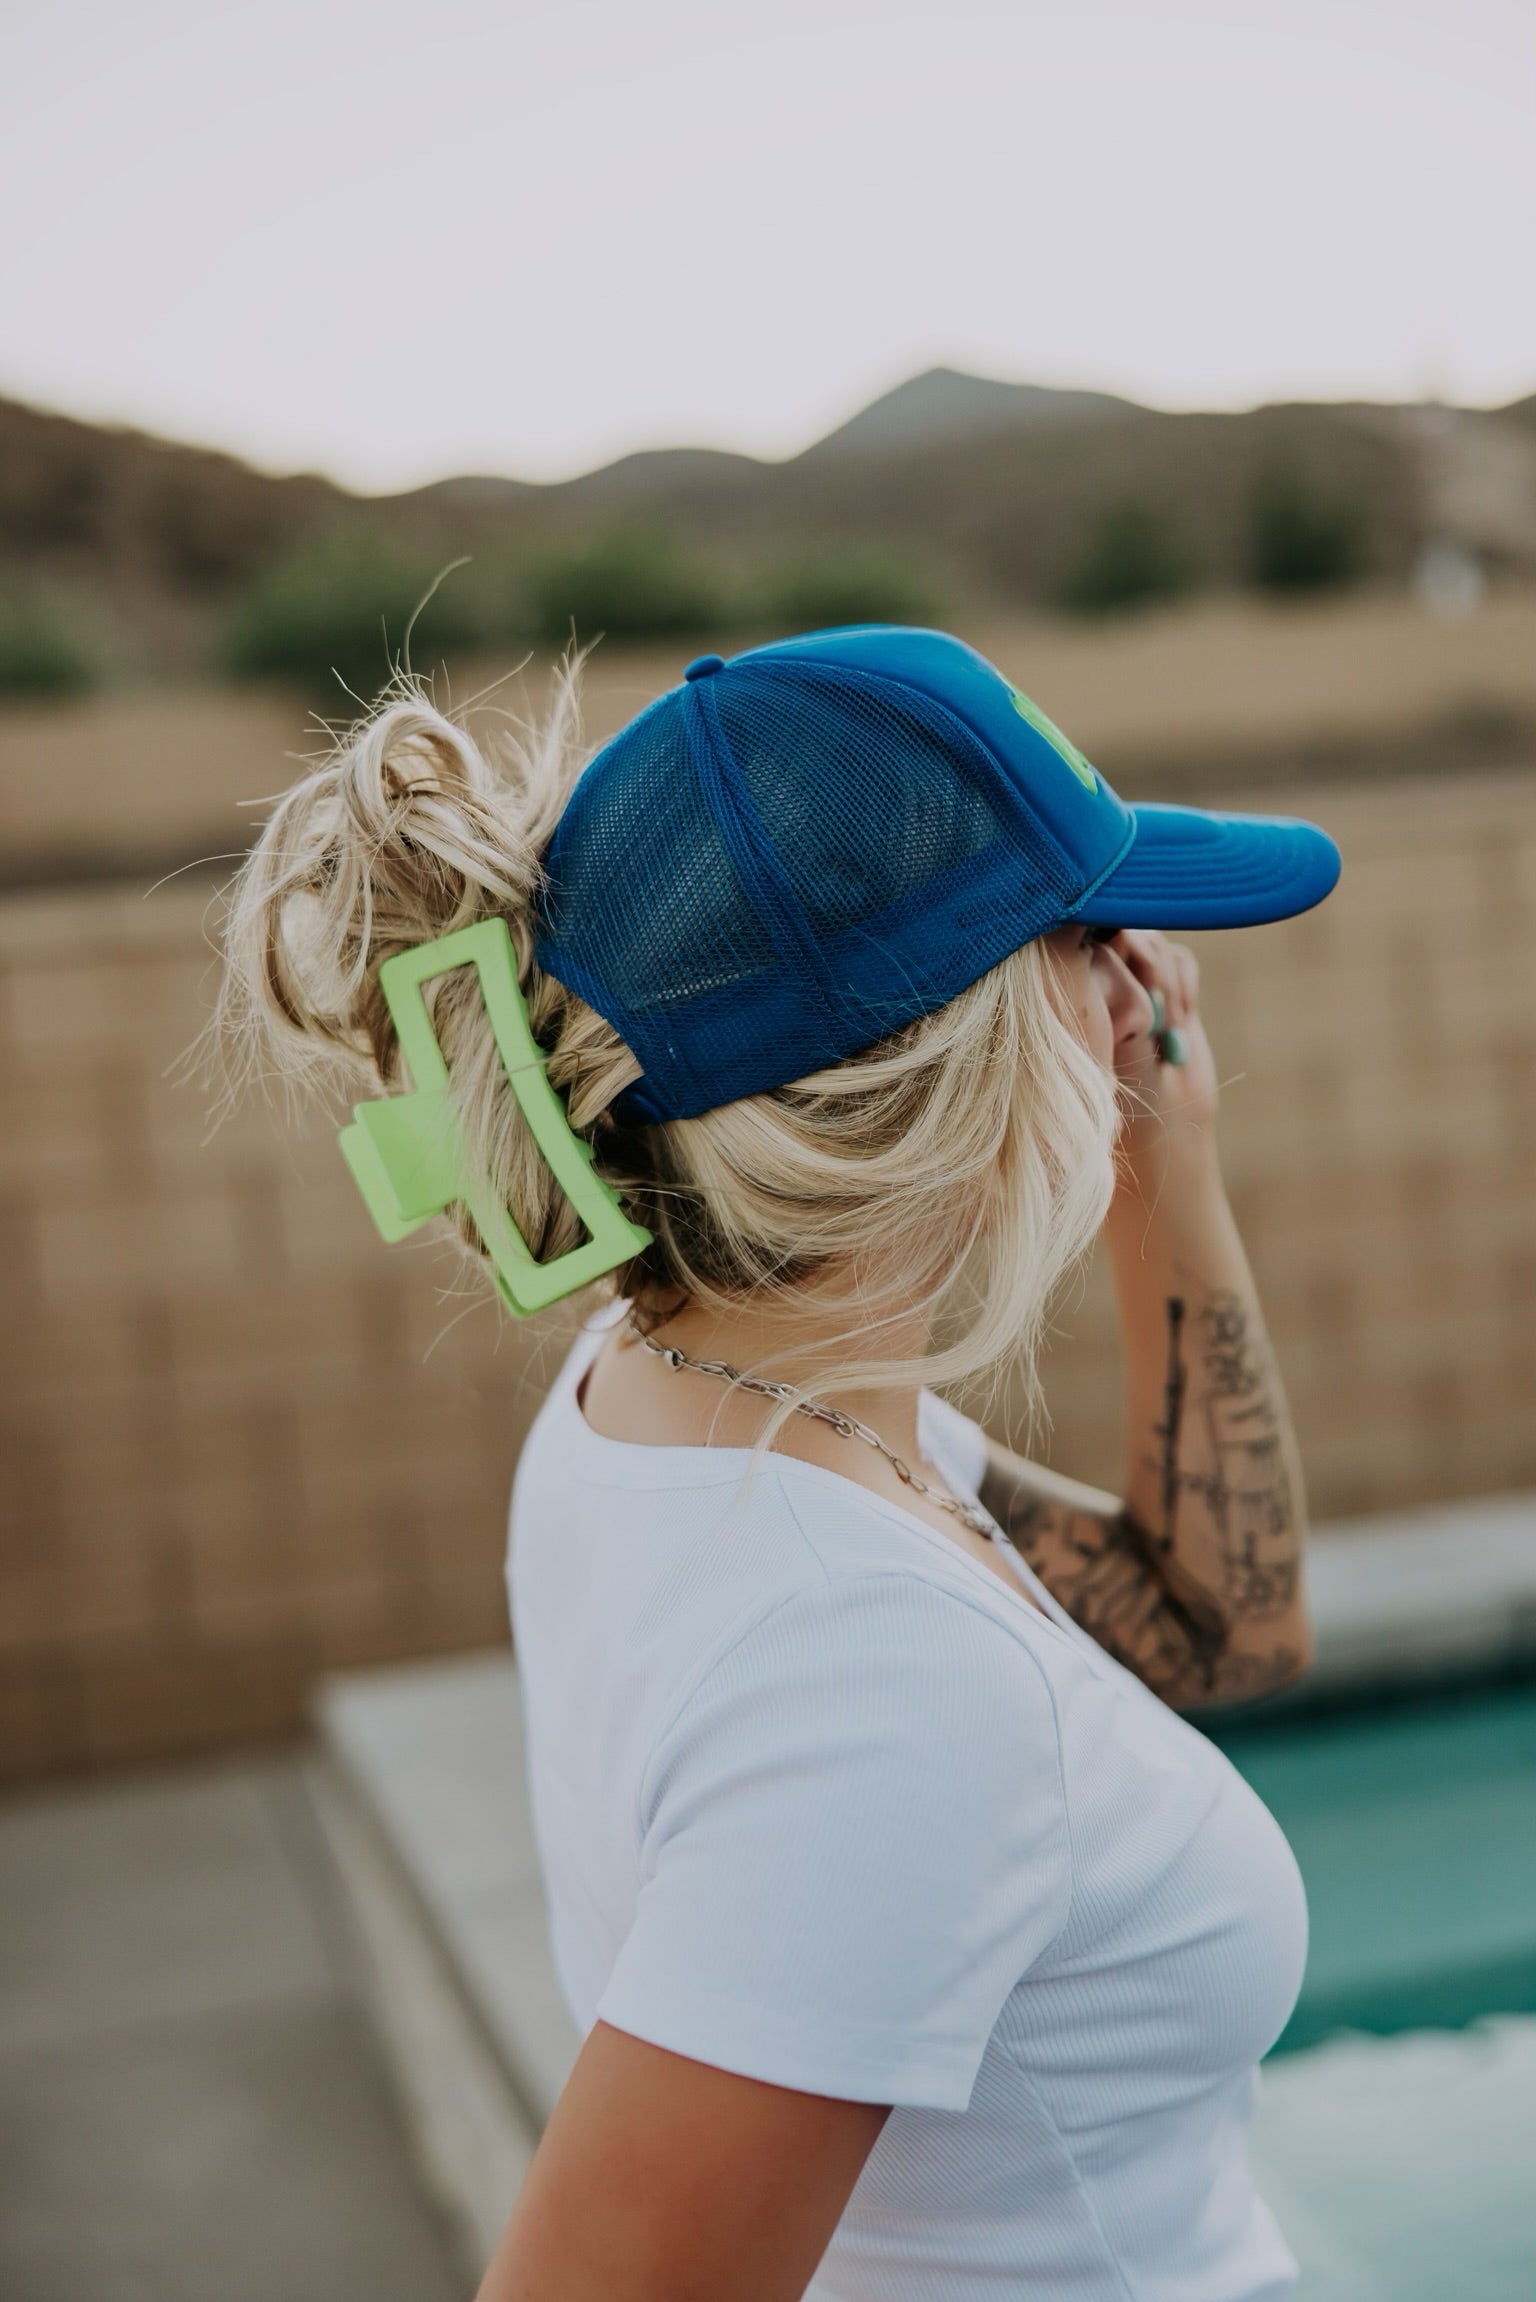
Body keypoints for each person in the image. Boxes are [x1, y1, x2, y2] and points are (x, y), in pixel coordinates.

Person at [214, 624, 1340, 2302]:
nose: (1138, 985)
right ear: (958, 1048)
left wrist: (1163, 1165)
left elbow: (1220, 1627)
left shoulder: (692, 1392)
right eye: (1088, 939)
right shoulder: (877, 1673)